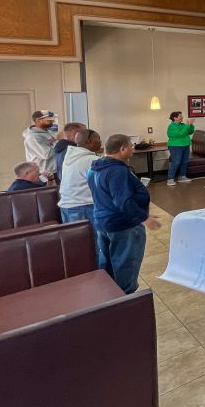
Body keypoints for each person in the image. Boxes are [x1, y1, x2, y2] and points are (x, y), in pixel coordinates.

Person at [88, 134, 162, 293]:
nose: (133, 149)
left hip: (104, 221)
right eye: (131, 146)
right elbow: (123, 200)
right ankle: (125, 299)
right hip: (124, 225)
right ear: (122, 149)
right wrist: (144, 218)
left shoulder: (96, 167)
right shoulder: (117, 171)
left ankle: (109, 297)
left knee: (108, 264)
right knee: (125, 265)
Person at [59, 129, 102, 226]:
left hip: (68, 206)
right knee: (93, 240)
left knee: (77, 240)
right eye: (98, 139)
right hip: (84, 207)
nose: (100, 141)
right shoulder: (91, 160)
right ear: (88, 141)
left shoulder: (70, 156)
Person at [23, 109, 57, 181]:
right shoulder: (32, 137)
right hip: (45, 174)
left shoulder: (49, 132)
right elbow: (46, 154)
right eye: (49, 120)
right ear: (38, 120)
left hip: (55, 170)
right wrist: (60, 143)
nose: (52, 122)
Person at [166, 111, 195, 186]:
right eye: (180, 116)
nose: (182, 117)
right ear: (175, 118)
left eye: (181, 116)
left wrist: (191, 125)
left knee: (184, 162)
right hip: (176, 146)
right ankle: (170, 179)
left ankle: (182, 176)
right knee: (176, 162)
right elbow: (180, 133)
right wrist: (188, 125)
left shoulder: (183, 125)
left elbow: (190, 131)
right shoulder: (171, 126)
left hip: (185, 145)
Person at [53, 121, 85, 186]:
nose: (87, 135)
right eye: (85, 132)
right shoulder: (69, 150)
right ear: (74, 133)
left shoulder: (62, 147)